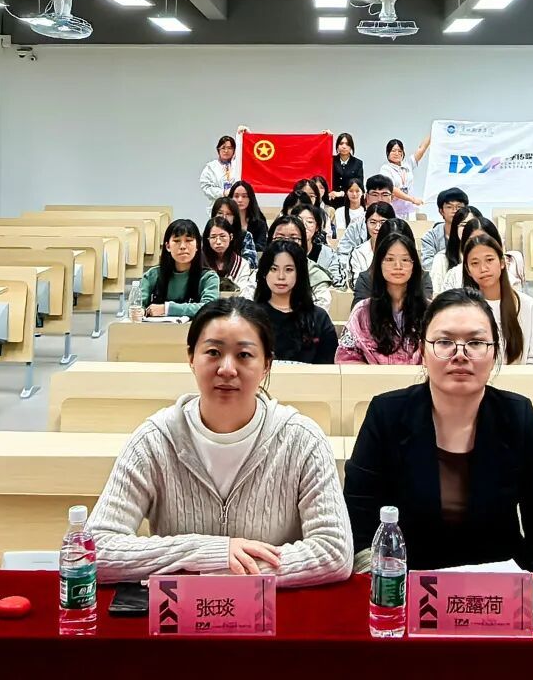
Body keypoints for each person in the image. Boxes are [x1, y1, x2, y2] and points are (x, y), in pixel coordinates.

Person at [87, 297, 353, 585]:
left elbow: (334, 551)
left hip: (277, 609)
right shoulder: (154, 440)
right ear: (191, 358)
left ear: (266, 364)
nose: (227, 369)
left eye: (244, 355)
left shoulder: (302, 440)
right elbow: (95, 549)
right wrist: (210, 552)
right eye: (213, 352)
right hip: (180, 611)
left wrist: (220, 575)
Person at [343, 288, 533, 572]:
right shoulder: (386, 414)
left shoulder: (518, 416)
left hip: (498, 589)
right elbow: (358, 524)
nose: (460, 354)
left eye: (476, 342)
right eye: (445, 342)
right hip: (406, 586)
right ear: (422, 351)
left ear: (494, 352)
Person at [337, 231, 427, 365]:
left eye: (405, 260)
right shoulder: (362, 312)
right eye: (390, 259)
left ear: (414, 266)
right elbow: (345, 358)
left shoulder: (430, 312)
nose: (398, 266)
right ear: (379, 264)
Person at [462, 234, 533, 365]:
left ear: (502, 263)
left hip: (520, 377)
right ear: (468, 270)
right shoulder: (461, 309)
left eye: (489, 260)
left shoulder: (527, 305)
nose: (483, 269)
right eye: (475, 263)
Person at [253, 241, 338, 364]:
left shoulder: (319, 318)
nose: (281, 276)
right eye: (273, 269)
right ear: (264, 273)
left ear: (300, 273)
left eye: (289, 269)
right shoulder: (251, 317)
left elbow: (328, 365)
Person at [242, 215, 332, 311]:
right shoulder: (261, 271)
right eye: (279, 238)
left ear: (303, 243)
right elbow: (245, 305)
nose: (286, 244)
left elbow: (321, 310)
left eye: (293, 239)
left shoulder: (316, 275)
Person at [139, 219, 220, 319]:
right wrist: (140, 311)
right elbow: (137, 304)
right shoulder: (152, 275)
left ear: (197, 246)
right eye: (177, 241)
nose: (182, 246)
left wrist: (167, 308)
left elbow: (209, 308)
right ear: (168, 246)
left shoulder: (208, 277)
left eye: (189, 240)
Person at [351, 218, 434, 307]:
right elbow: (359, 311)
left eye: (404, 258)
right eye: (390, 258)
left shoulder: (422, 278)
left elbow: (425, 311)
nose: (398, 266)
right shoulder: (366, 279)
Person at [336, 174, 394, 276]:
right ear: (366, 197)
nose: (379, 199)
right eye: (375, 194)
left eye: (385, 194)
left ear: (392, 197)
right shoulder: (355, 225)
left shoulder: (399, 225)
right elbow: (343, 254)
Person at [430, 205, 483, 295]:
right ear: (455, 228)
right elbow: (436, 294)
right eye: (463, 225)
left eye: (472, 225)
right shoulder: (441, 259)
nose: (468, 229)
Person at [378, 135, 431, 219]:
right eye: (393, 151)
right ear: (388, 153)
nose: (397, 153)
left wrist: (433, 132)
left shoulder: (408, 164)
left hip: (409, 210)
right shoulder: (385, 169)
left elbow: (422, 148)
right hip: (394, 210)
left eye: (400, 151)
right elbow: (392, 188)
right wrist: (412, 199)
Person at [290, 203, 342, 288]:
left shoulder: (328, 254)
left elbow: (337, 283)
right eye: (299, 220)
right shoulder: (282, 250)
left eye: (310, 222)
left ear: (317, 227)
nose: (304, 225)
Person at [420, 187, 469, 272]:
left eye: (459, 207)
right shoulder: (430, 237)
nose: (454, 210)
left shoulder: (471, 233)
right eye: (449, 207)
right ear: (441, 211)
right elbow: (427, 265)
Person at [348, 202, 396, 288]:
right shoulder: (359, 252)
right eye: (373, 222)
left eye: (382, 222)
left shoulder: (400, 249)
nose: (377, 227)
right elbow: (358, 284)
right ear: (366, 223)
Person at [202, 217, 252, 293]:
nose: (218, 242)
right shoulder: (200, 262)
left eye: (222, 236)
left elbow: (243, 292)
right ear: (207, 239)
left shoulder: (242, 264)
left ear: (231, 237)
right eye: (213, 237)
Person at [211, 196, 257, 268]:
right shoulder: (207, 235)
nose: (224, 217)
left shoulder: (245, 236)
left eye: (228, 214)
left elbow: (251, 264)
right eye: (220, 213)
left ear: (235, 217)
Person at [229, 180, 268, 252]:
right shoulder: (226, 222)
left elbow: (261, 247)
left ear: (250, 198)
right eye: (236, 196)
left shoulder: (259, 223)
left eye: (244, 196)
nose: (240, 200)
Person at [200, 135, 237, 203]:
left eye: (229, 148)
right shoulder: (210, 167)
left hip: (236, 204)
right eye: (223, 148)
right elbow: (206, 187)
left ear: (234, 150)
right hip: (218, 203)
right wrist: (222, 193)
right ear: (218, 149)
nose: (226, 151)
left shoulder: (238, 165)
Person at [330, 132, 364, 201]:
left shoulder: (357, 163)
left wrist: (342, 193)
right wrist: (326, 137)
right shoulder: (331, 160)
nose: (344, 146)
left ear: (351, 146)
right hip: (332, 200)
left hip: (350, 200)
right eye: (341, 143)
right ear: (337, 146)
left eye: (347, 144)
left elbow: (359, 185)